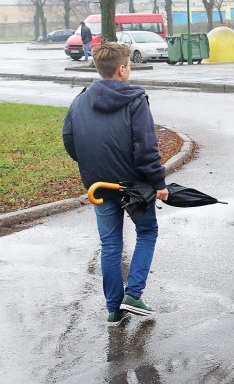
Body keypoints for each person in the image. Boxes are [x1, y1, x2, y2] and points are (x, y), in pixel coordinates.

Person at [61, 41, 169, 326]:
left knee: (110, 245)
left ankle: (114, 310)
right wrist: (158, 182)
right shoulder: (135, 99)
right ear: (121, 69)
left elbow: (70, 142)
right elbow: (145, 147)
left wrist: (92, 165)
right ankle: (133, 294)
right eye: (129, 65)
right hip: (132, 186)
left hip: (98, 186)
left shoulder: (80, 100)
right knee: (147, 232)